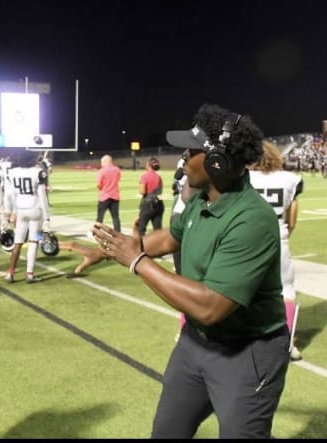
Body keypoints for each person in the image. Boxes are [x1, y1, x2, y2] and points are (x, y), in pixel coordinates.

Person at [90, 103, 290, 438]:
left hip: (247, 352)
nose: (182, 157)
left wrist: (137, 262)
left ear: (217, 161)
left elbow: (211, 306)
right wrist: (117, 247)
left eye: (190, 150)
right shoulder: (203, 199)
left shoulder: (252, 219)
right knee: (167, 432)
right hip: (195, 344)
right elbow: (171, 236)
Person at [249, 140, 304, 361]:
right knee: (286, 291)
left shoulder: (244, 178)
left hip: (246, 241)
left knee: (244, 290)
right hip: (277, 239)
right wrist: (283, 234)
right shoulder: (291, 179)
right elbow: (292, 220)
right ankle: (287, 343)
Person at [3, 149, 51, 283]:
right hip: (35, 210)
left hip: (21, 210)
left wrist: (11, 211)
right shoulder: (37, 172)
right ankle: (29, 274)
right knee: (33, 242)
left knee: (18, 242)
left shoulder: (12, 172)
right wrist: (47, 218)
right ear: (31, 159)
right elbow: (42, 197)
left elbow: (10, 194)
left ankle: (10, 273)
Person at [136, 156, 165, 235]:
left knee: (141, 229)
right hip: (158, 204)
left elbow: (142, 191)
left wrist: (140, 184)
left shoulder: (145, 176)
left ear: (148, 165)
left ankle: (142, 246)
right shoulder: (159, 177)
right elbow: (160, 191)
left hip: (148, 205)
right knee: (158, 230)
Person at [95, 154, 122, 232]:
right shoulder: (117, 170)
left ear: (104, 162)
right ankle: (118, 233)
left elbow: (98, 185)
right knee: (115, 217)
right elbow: (118, 179)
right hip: (115, 196)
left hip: (104, 197)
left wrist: (102, 188)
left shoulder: (102, 171)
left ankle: (96, 232)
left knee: (100, 217)